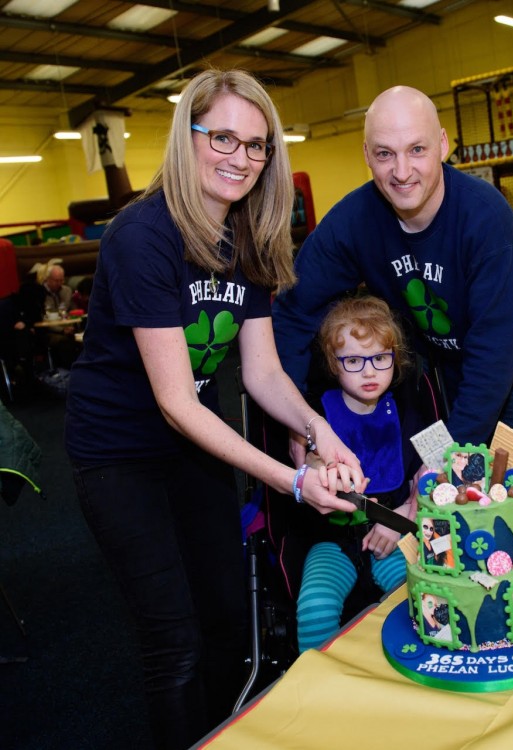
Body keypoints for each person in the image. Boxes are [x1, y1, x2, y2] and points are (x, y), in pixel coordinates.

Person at [64, 69, 364, 750]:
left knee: (230, 619)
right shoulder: (144, 236)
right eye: (223, 137)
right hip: (118, 454)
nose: (241, 158)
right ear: (187, 136)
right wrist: (291, 480)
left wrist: (319, 431)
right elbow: (175, 402)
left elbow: (260, 371)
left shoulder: (247, 235)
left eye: (257, 145)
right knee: (174, 640)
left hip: (191, 448)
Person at [272, 85, 513, 479]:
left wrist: (448, 459)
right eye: (385, 154)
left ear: (441, 145)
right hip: (441, 362)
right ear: (366, 155)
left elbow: (494, 352)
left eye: (417, 150)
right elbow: (293, 310)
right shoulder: (353, 221)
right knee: (449, 505)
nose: (402, 172)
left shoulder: (485, 217)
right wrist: (298, 418)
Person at [295, 295, 426, 652]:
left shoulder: (411, 406)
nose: (369, 371)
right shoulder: (315, 413)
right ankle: (316, 687)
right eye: (353, 360)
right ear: (332, 363)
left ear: (394, 360)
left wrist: (401, 518)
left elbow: (438, 472)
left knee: (420, 595)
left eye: (380, 359)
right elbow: (308, 461)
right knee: (314, 607)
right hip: (332, 541)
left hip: (395, 532)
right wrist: (321, 467)